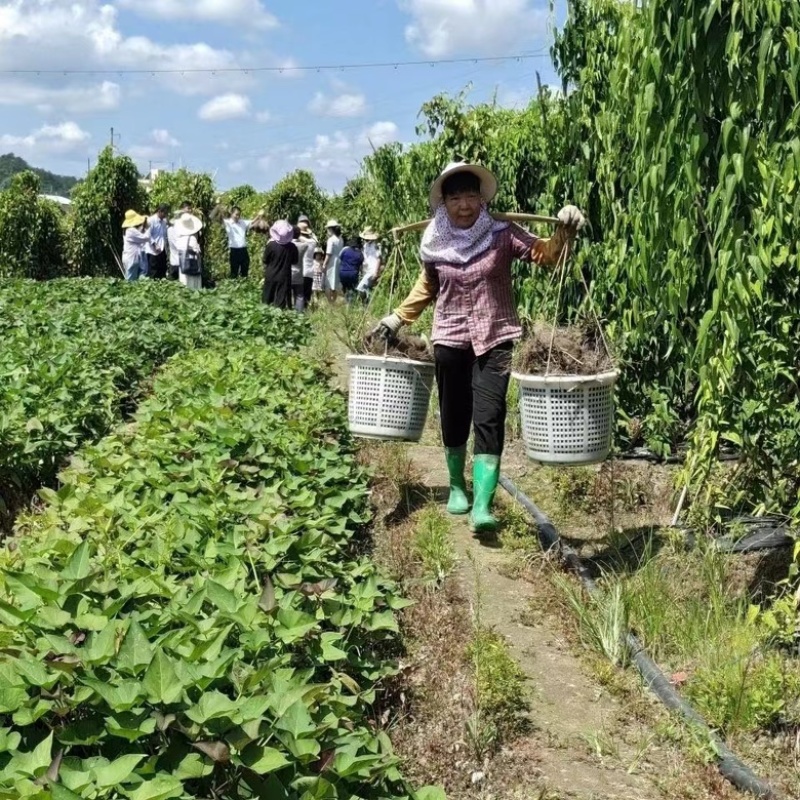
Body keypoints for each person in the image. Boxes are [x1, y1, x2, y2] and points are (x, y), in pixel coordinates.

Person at [375, 161, 585, 534]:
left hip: (496, 336)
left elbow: (546, 255)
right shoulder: (436, 242)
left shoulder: (502, 234)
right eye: (455, 198)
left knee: (489, 416)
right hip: (450, 337)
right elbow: (428, 287)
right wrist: (397, 318)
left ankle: (483, 505)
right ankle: (458, 485)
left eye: (471, 196)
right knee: (453, 412)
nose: (465, 205)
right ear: (444, 203)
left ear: (482, 199)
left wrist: (564, 232)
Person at [262, 220, 298, 309]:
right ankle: (279, 320)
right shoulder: (292, 247)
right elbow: (295, 261)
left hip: (270, 274)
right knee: (280, 301)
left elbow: (265, 260)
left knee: (267, 299)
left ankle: (265, 318)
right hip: (284, 276)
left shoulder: (271, 245)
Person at [222, 206, 258, 279]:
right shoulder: (227, 222)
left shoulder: (243, 222)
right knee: (234, 272)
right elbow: (214, 217)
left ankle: (244, 287)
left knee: (245, 271)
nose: (237, 216)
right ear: (231, 214)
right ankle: (233, 287)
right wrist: (218, 207)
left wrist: (259, 216)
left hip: (243, 250)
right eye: (236, 214)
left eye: (239, 214)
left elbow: (253, 221)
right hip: (234, 250)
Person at [170, 211, 204, 290]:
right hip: (194, 265)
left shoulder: (180, 238)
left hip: (184, 266)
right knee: (194, 282)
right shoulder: (193, 239)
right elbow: (198, 252)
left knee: (185, 280)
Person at [121, 210, 150, 282]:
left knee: (131, 279)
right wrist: (148, 228)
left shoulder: (128, 230)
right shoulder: (131, 230)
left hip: (130, 256)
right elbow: (145, 238)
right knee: (131, 280)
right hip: (131, 257)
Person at [356, 227, 382, 302]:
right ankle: (367, 305)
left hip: (373, 271)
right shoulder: (366, 245)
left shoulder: (376, 246)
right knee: (368, 289)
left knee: (360, 288)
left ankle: (366, 303)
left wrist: (376, 272)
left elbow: (379, 259)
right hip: (367, 270)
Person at [291, 225, 313, 312]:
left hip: (288, 274)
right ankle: (299, 314)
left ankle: (288, 311)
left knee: (287, 294)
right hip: (299, 274)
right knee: (300, 296)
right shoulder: (304, 246)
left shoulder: (287, 245)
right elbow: (310, 242)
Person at [297, 214, 318, 306]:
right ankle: (305, 312)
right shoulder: (313, 241)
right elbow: (315, 239)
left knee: (299, 294)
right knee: (307, 294)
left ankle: (299, 313)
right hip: (310, 271)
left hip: (300, 270)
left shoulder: (298, 240)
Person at [321, 219, 344, 302]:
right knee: (335, 282)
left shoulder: (331, 240)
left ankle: (330, 302)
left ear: (330, 229)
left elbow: (328, 254)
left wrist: (324, 264)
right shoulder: (341, 239)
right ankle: (333, 300)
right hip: (339, 261)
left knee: (328, 283)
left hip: (332, 262)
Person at [145, 204, 170, 279]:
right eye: (164, 213)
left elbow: (165, 235)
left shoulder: (164, 221)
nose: (166, 215)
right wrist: (154, 244)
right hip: (153, 250)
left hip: (162, 249)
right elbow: (147, 234)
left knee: (162, 270)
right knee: (153, 271)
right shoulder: (151, 220)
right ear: (159, 211)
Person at [338, 237, 364, 303]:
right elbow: (361, 266)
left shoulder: (345, 250)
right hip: (353, 274)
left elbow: (340, 259)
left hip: (343, 273)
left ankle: (345, 299)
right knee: (351, 289)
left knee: (345, 287)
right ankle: (349, 304)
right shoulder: (360, 254)